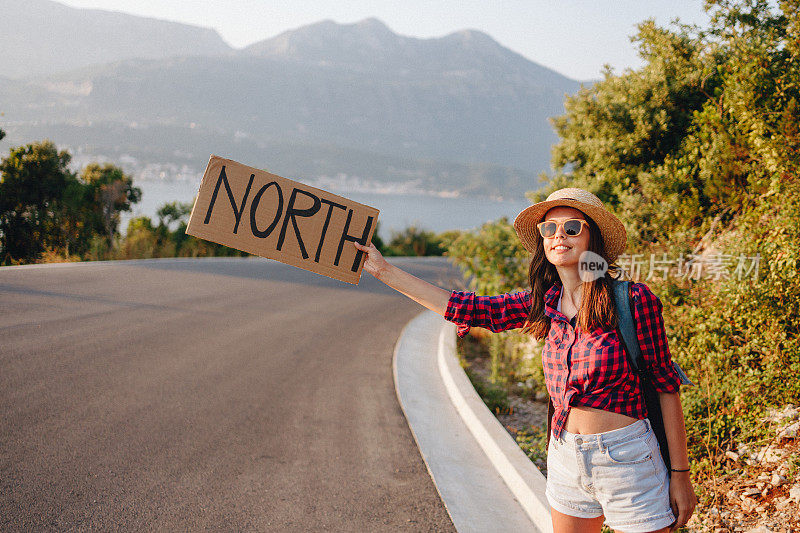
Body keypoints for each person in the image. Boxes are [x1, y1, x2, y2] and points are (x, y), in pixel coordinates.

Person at [353, 187, 697, 533]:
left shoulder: (633, 300)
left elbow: (666, 387)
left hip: (628, 460)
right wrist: (383, 270)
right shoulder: (543, 304)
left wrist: (680, 475)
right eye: (549, 229)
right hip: (565, 457)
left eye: (572, 227)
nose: (559, 235)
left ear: (593, 238)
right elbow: (469, 309)